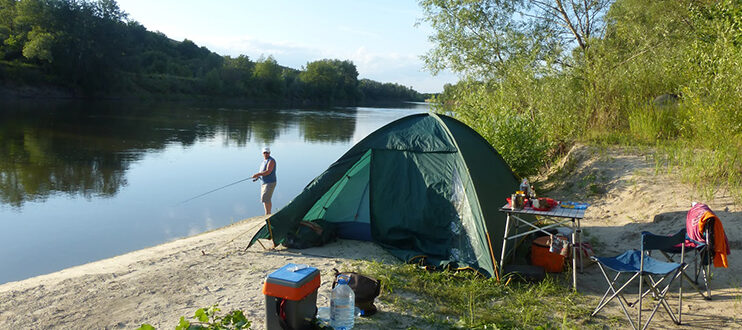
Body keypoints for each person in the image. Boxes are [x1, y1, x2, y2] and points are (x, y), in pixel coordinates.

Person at [252, 147, 277, 215]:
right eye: (264, 153)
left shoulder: (271, 161)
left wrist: (257, 174)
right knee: (265, 199)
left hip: (270, 182)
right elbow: (262, 172)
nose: (266, 154)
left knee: (265, 198)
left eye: (267, 153)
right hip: (264, 183)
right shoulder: (264, 162)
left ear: (269, 153)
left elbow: (268, 171)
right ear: (262, 153)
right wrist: (257, 177)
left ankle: (268, 214)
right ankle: (267, 213)